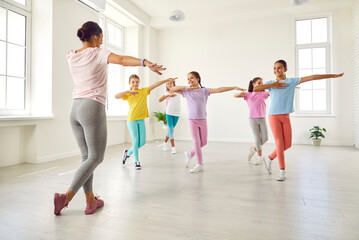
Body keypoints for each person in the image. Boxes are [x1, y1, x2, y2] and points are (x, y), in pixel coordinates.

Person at [54, 21, 166, 215]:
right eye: (102, 38)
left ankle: (90, 201)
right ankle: (66, 197)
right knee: (96, 157)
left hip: (75, 109)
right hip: (91, 107)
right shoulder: (97, 53)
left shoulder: (71, 55)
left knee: (86, 157)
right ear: (96, 36)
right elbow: (122, 60)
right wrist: (145, 62)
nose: (102, 42)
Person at [254, 59, 344, 181]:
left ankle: (269, 158)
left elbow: (312, 77)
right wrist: (273, 85)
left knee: (288, 144)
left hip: (285, 116)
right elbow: (256, 88)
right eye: (274, 68)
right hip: (273, 116)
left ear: (285, 69)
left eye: (279, 68)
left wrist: (332, 76)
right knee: (280, 144)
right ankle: (282, 170)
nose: (276, 70)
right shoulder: (271, 83)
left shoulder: (291, 82)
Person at [171, 71, 245, 173]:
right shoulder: (186, 91)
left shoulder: (204, 91)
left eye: (192, 78)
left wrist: (233, 87)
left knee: (203, 142)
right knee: (197, 142)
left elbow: (219, 90)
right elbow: (172, 89)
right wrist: (186, 87)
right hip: (192, 120)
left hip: (202, 119)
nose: (189, 80)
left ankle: (189, 154)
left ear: (198, 79)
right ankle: (199, 164)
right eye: (188, 79)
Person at [116, 75, 176, 170]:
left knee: (142, 142)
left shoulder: (144, 91)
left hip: (141, 119)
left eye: (137, 82)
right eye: (133, 82)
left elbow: (156, 84)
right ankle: (137, 161)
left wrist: (167, 80)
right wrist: (128, 91)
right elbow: (116, 96)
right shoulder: (128, 94)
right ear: (129, 83)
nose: (135, 84)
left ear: (139, 82)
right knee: (135, 140)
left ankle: (127, 153)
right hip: (131, 119)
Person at [234, 77, 269, 165]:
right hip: (252, 119)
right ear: (253, 84)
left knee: (265, 138)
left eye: (262, 83)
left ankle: (253, 149)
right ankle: (260, 158)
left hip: (262, 118)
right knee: (257, 137)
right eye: (259, 83)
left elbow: (274, 92)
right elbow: (235, 95)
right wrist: (240, 93)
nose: (261, 85)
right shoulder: (248, 95)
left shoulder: (263, 93)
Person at [157, 80, 181, 154]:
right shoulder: (166, 93)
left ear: (174, 83)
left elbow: (185, 89)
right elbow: (159, 100)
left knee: (171, 130)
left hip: (177, 113)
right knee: (171, 130)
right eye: (168, 84)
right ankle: (173, 147)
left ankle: (165, 142)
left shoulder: (178, 91)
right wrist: (168, 95)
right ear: (166, 86)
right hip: (169, 113)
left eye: (171, 83)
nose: (169, 85)